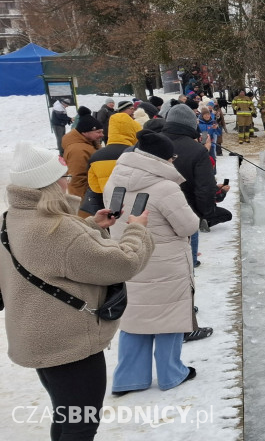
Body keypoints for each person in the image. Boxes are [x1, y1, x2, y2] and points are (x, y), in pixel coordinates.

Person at [1, 142, 154, 440]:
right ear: (49, 184)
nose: (68, 182)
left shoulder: (11, 219)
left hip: (37, 338)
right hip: (68, 343)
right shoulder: (58, 230)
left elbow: (49, 255)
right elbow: (124, 264)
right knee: (81, 425)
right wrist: (137, 228)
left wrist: (91, 227)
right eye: (64, 177)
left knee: (67, 416)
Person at [103, 130, 200, 397]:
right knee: (169, 317)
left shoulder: (115, 180)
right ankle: (172, 373)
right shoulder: (165, 187)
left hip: (130, 258)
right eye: (172, 157)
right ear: (161, 158)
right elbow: (188, 226)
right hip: (165, 263)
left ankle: (129, 378)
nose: (173, 161)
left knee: (135, 317)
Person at [63, 107, 105, 200]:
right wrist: (83, 202)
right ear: (85, 132)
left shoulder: (89, 143)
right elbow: (77, 180)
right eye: (98, 132)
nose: (102, 135)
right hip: (85, 198)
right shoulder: (78, 151)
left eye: (102, 132)